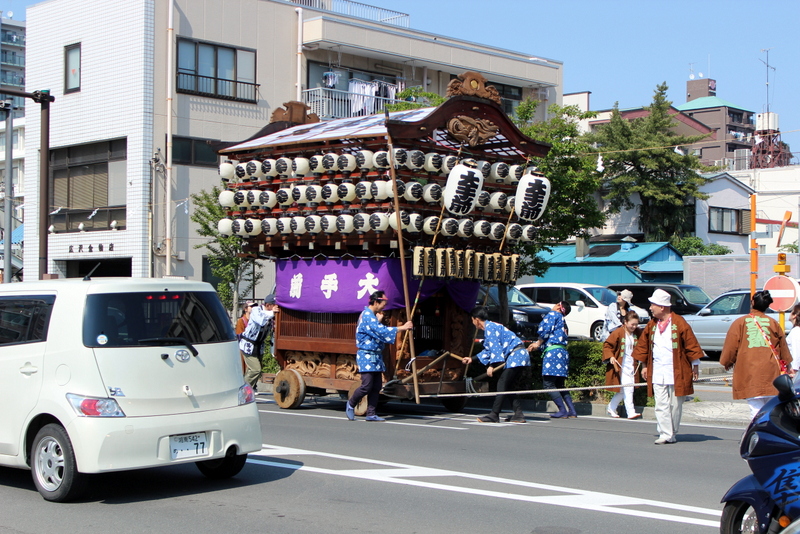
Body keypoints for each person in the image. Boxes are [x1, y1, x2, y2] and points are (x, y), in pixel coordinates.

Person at [633, 289, 703, 445]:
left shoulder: (679, 323)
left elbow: (691, 344)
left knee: (675, 404)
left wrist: (695, 365)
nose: (650, 308)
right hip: (657, 370)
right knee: (661, 404)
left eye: (653, 305)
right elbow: (643, 347)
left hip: (677, 370)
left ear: (662, 307)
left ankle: (672, 432)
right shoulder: (652, 325)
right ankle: (665, 433)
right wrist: (644, 365)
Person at [720, 290, 793, 419]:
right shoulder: (773, 323)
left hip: (749, 372)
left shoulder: (740, 323)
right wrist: (788, 366)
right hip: (771, 373)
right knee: (772, 408)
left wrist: (727, 362)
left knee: (755, 408)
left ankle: (759, 433)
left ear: (752, 303)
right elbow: (783, 350)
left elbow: (731, 347)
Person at [346, 290, 413, 422]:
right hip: (366, 355)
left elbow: (376, 331)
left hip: (376, 356)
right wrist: (402, 328)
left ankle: (371, 413)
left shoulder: (371, 316)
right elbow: (380, 330)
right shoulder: (367, 315)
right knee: (367, 385)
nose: (384, 307)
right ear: (376, 302)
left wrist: (379, 321)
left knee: (376, 386)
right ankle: (351, 404)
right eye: (383, 303)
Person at [461, 306, 532, 423]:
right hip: (518, 355)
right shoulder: (491, 327)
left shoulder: (490, 328)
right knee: (508, 386)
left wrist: (492, 366)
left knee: (502, 384)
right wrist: (472, 359)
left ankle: (494, 414)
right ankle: (518, 414)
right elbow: (489, 350)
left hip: (515, 355)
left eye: (472, 320)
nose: (473, 323)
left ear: (476, 319)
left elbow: (496, 350)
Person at [529, 301, 575, 418]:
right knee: (559, 383)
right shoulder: (563, 321)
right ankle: (572, 411)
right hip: (562, 353)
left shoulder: (553, 314)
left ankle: (562, 410)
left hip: (552, 353)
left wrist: (538, 343)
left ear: (559, 307)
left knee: (548, 383)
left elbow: (546, 330)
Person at [603, 311, 642, 419]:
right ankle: (631, 412)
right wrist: (611, 356)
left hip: (632, 364)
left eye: (636, 324)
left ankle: (611, 407)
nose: (634, 326)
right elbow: (607, 345)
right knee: (629, 388)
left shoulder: (637, 332)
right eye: (632, 324)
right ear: (625, 322)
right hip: (621, 364)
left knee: (623, 390)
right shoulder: (618, 332)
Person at [239, 294, 279, 391]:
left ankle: (249, 390)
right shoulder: (256, 310)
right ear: (268, 305)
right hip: (248, 345)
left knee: (252, 370)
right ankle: (243, 391)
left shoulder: (271, 315)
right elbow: (260, 321)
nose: (276, 307)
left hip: (259, 346)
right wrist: (271, 313)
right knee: (256, 369)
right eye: (274, 305)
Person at [788, 303, 800, 386]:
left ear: (795, 315)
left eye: (791, 311)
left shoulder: (796, 331)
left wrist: (794, 371)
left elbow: (796, 352)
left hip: (795, 372)